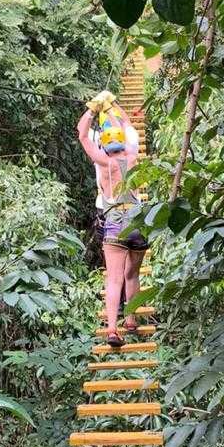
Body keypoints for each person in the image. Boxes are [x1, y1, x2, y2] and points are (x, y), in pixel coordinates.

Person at [77, 91, 148, 347]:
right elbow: (128, 126)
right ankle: (131, 319)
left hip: (116, 221)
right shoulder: (132, 156)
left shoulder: (103, 162)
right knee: (132, 274)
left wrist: (94, 109)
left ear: (105, 144)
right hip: (138, 221)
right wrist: (114, 105)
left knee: (114, 277)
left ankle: (112, 330)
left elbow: (82, 133)